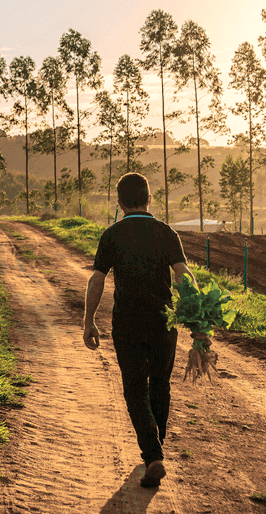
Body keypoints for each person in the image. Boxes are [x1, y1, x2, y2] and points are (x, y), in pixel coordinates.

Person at [83, 173, 196, 489]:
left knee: (134, 387)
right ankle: (154, 451)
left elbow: (97, 280)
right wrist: (198, 316)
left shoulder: (112, 235)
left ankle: (153, 454)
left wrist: (89, 321)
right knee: (160, 384)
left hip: (128, 323)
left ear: (119, 202)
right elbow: (184, 275)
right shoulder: (166, 233)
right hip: (164, 323)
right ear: (150, 199)